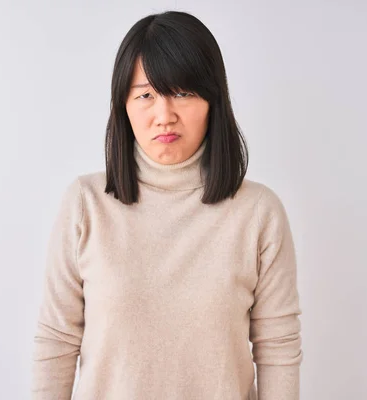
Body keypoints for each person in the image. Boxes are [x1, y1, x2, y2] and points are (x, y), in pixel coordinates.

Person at [32, 10, 303, 400]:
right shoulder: (85, 204)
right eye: (145, 95)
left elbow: (277, 348)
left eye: (183, 93)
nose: (164, 116)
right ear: (123, 105)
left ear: (213, 99)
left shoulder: (258, 212)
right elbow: (57, 340)